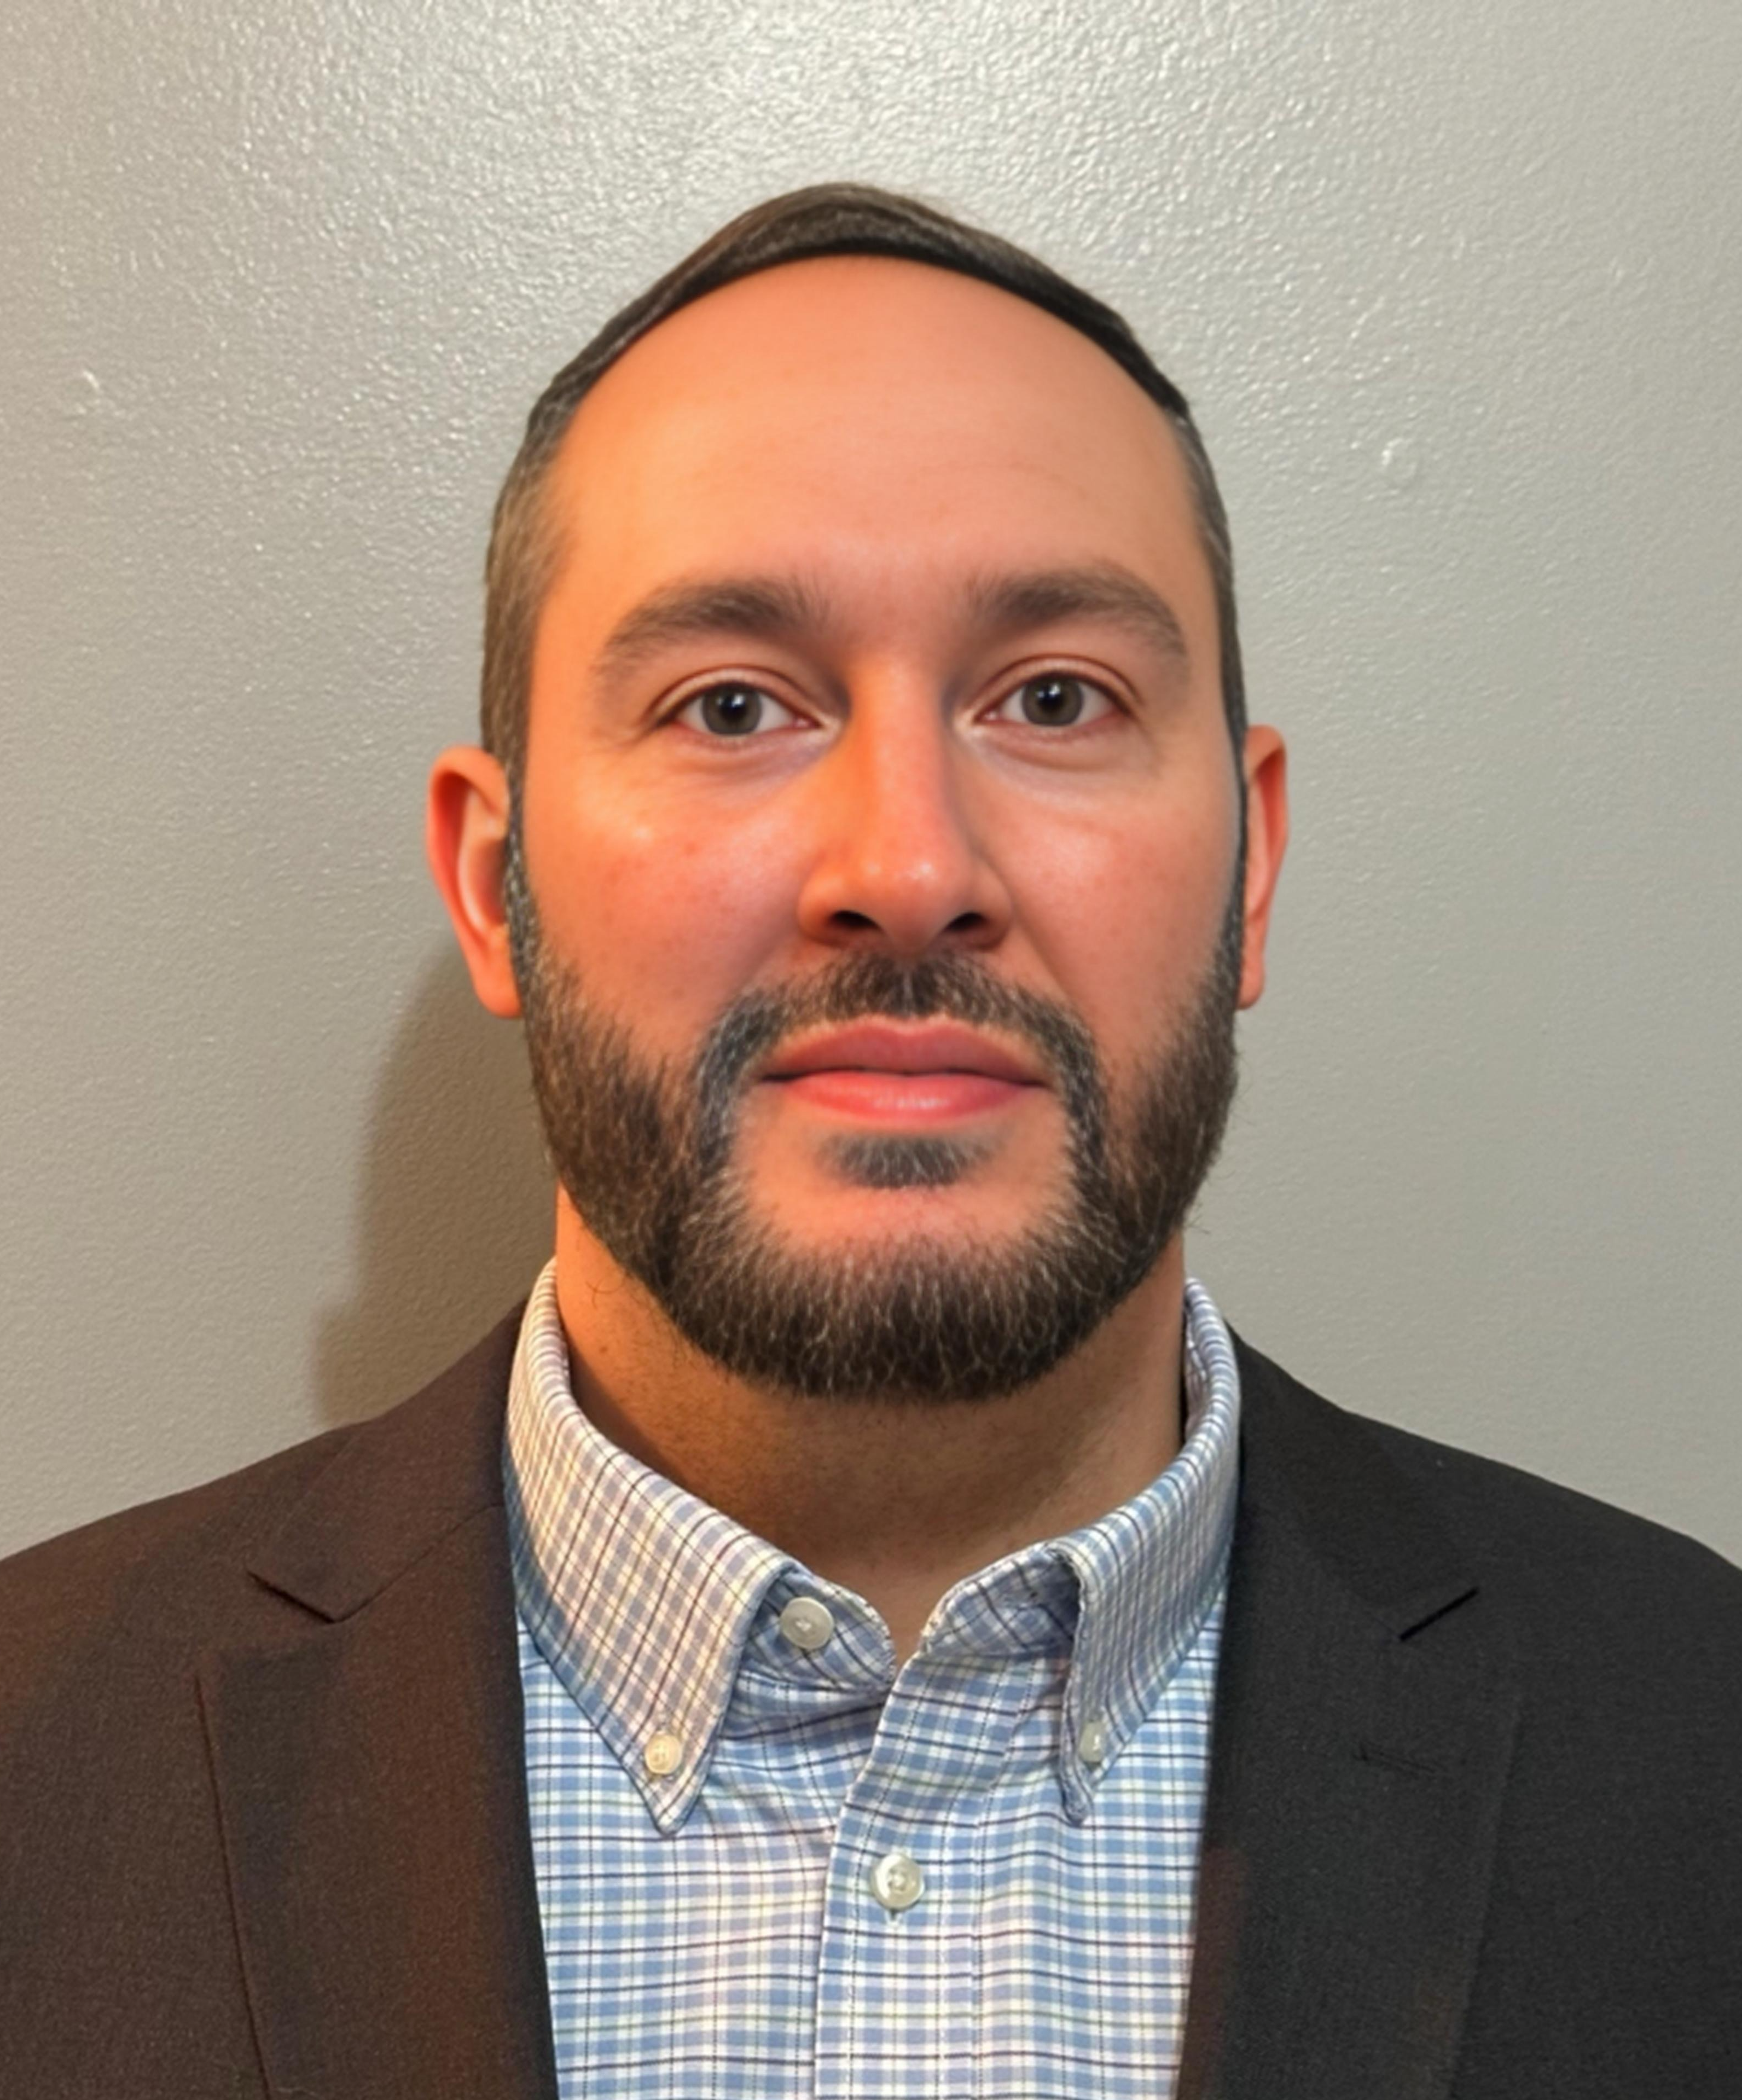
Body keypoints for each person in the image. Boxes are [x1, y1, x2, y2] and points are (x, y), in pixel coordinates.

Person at [1, 184, 1737, 2100]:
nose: (908, 867)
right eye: (733, 703)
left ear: (1251, 867)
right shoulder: (33, 1762)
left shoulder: (1695, 1754)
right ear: (497, 888)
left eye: (1055, 697)